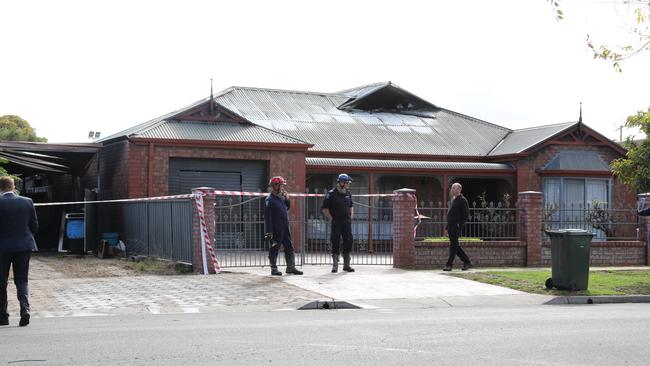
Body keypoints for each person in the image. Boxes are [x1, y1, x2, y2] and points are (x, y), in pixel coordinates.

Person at [0, 176, 39, 327]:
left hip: (2, 248)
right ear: (13, 186)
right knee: (22, 280)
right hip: (23, 246)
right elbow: (34, 225)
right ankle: (25, 309)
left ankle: (3, 316)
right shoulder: (27, 201)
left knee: (1, 281)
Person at [264, 176, 303, 276]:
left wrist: (287, 199)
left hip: (285, 227)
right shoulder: (270, 199)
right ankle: (274, 269)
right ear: (274, 186)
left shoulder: (281, 197)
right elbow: (268, 217)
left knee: (289, 246)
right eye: (281, 185)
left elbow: (287, 208)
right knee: (275, 248)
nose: (282, 187)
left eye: (282, 185)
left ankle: (291, 267)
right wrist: (269, 231)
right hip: (276, 228)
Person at [321, 173, 355, 273]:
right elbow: (325, 208)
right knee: (335, 241)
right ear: (341, 182)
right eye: (347, 183)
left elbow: (351, 206)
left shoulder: (348, 193)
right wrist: (331, 218)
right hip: (336, 222)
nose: (348, 184)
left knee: (348, 241)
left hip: (346, 222)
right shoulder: (331, 194)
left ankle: (346, 265)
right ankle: (335, 265)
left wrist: (351, 216)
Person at [443, 182, 472, 271]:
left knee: (453, 245)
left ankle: (449, 264)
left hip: (456, 226)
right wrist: (447, 227)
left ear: (459, 189)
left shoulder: (463, 200)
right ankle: (467, 261)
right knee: (455, 246)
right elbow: (451, 215)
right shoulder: (453, 200)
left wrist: (459, 224)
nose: (452, 190)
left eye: (453, 188)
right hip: (451, 226)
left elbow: (465, 215)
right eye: (452, 188)